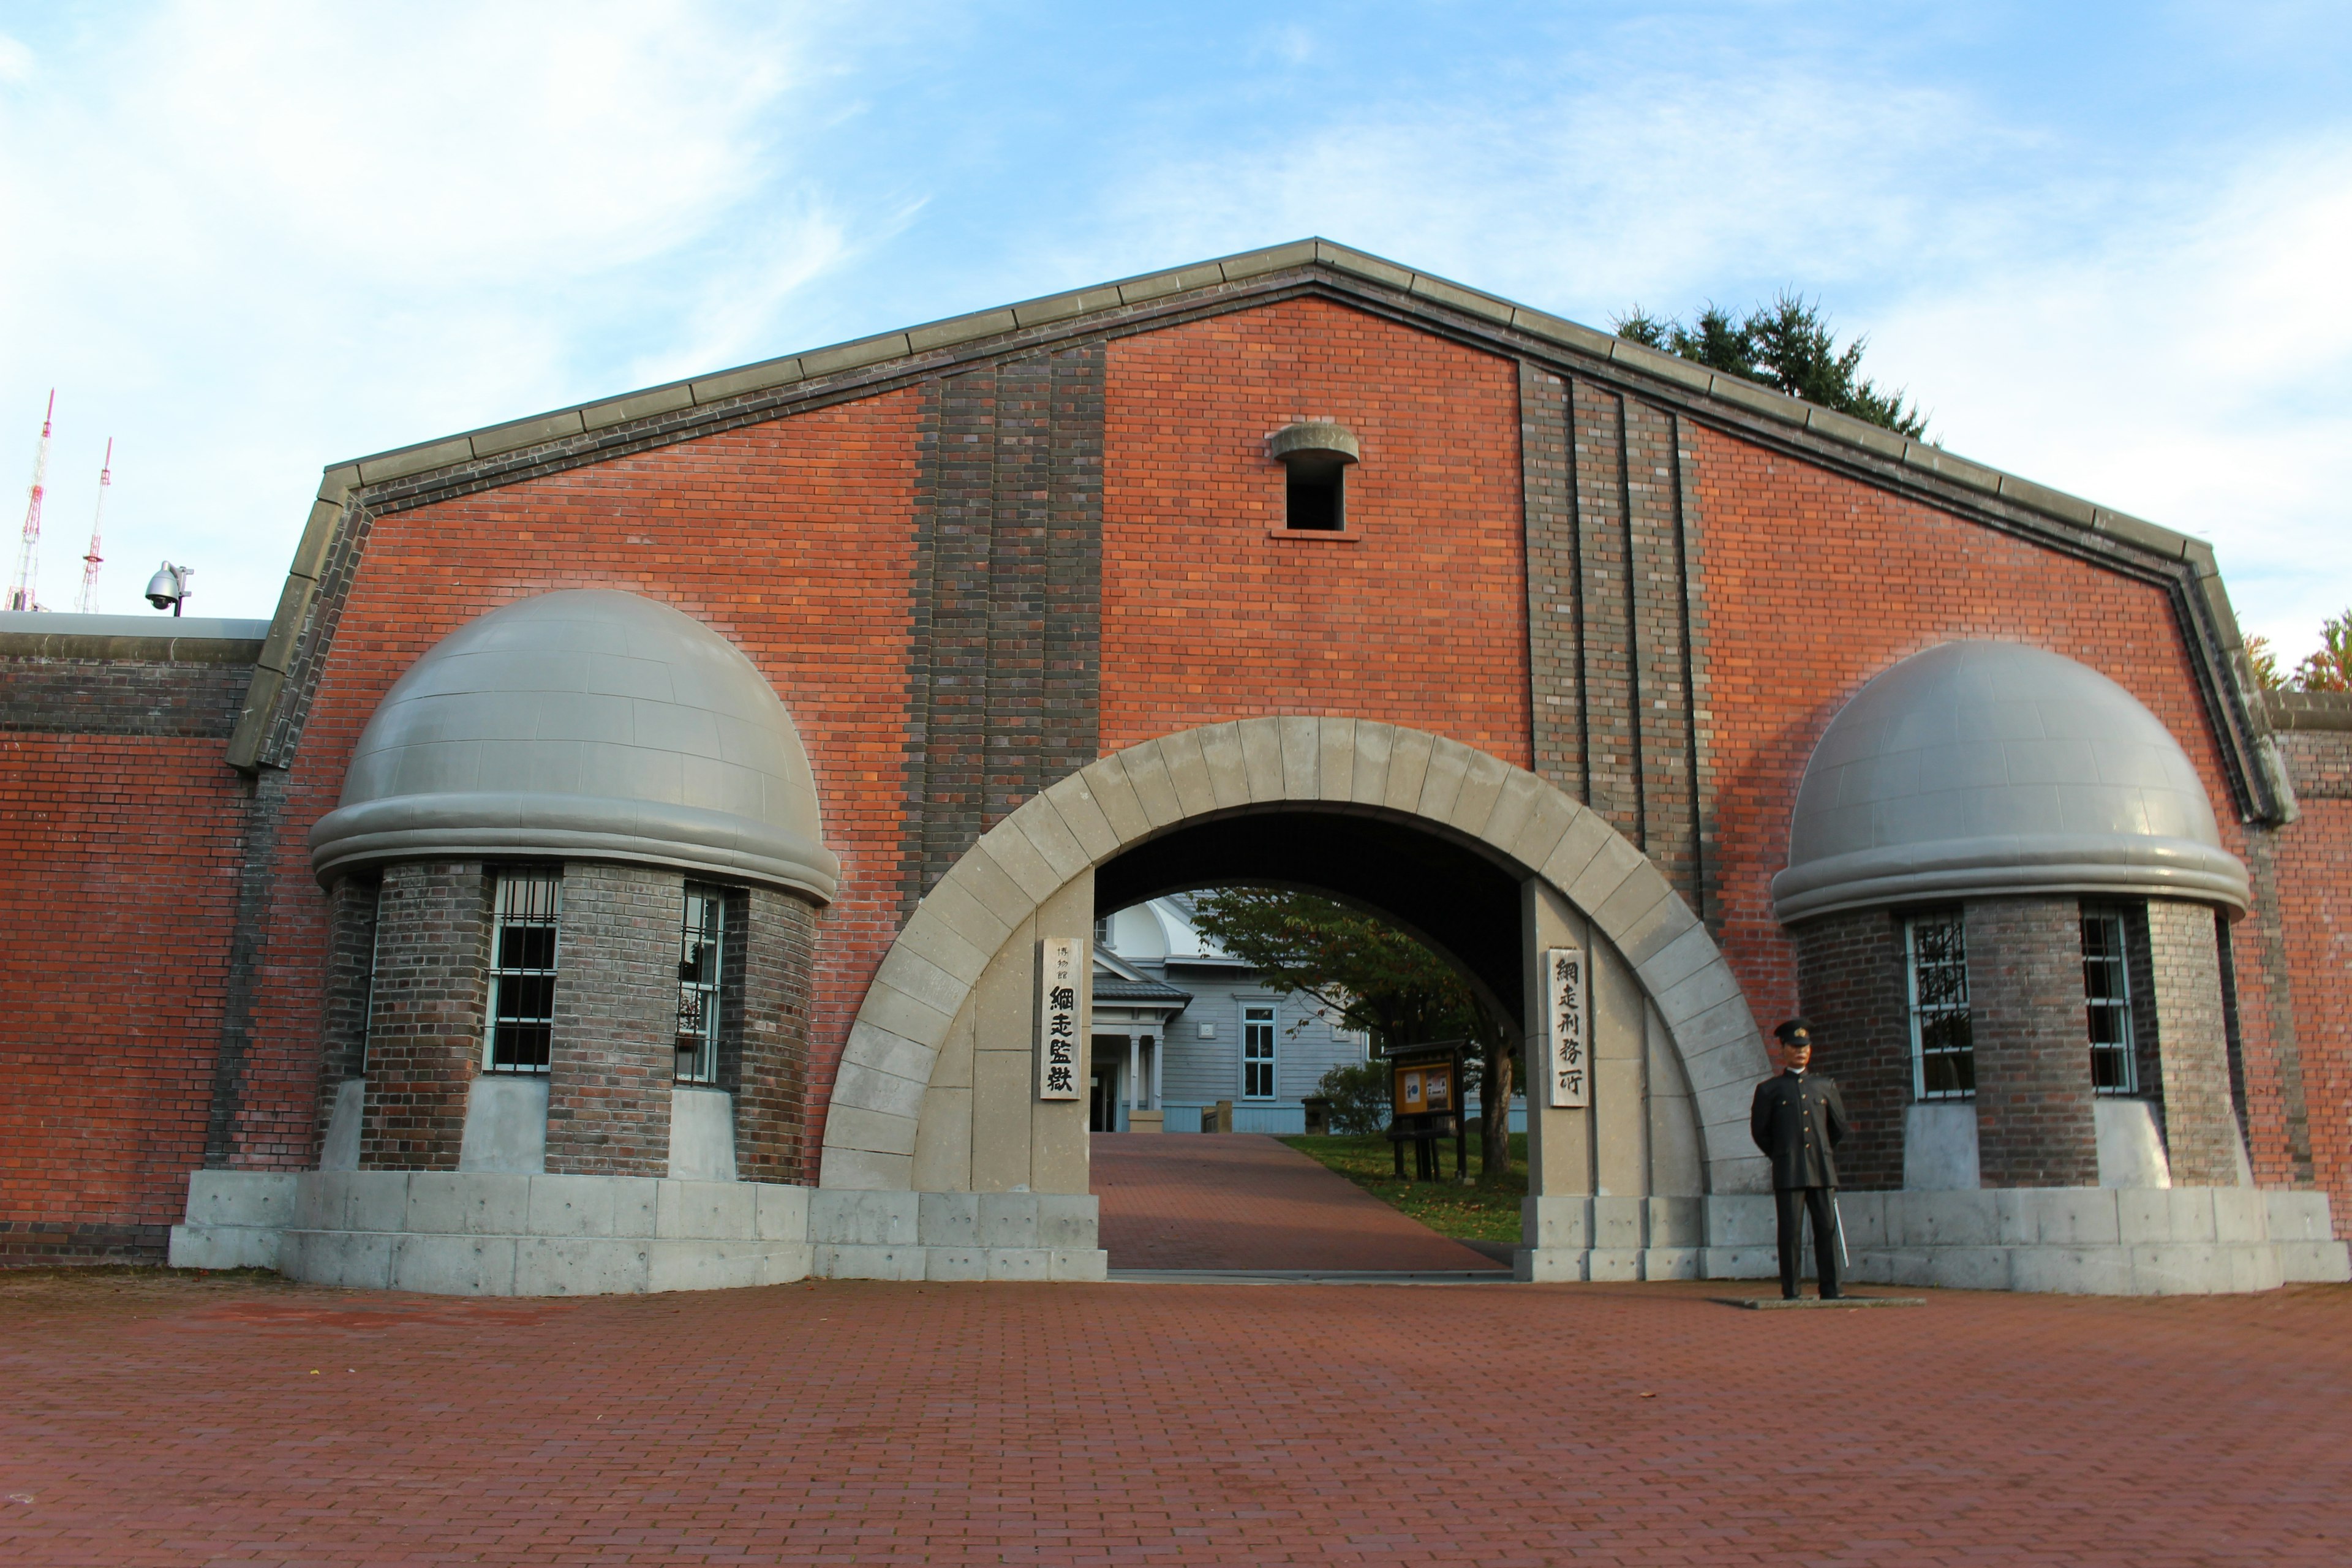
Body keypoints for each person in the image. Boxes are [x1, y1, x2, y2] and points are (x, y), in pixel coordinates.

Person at [1750, 1018, 1849, 1300]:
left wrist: (1821, 1150)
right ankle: (1791, 1290)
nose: (1801, 1052)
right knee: (1790, 1234)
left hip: (1821, 1170)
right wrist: (1782, 1155)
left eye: (1805, 1047)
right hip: (1789, 1169)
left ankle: (1832, 1289)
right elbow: (1761, 1132)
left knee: (1827, 1231)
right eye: (1795, 1047)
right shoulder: (1770, 1090)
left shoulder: (1825, 1086)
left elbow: (1838, 1127)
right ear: (1782, 1049)